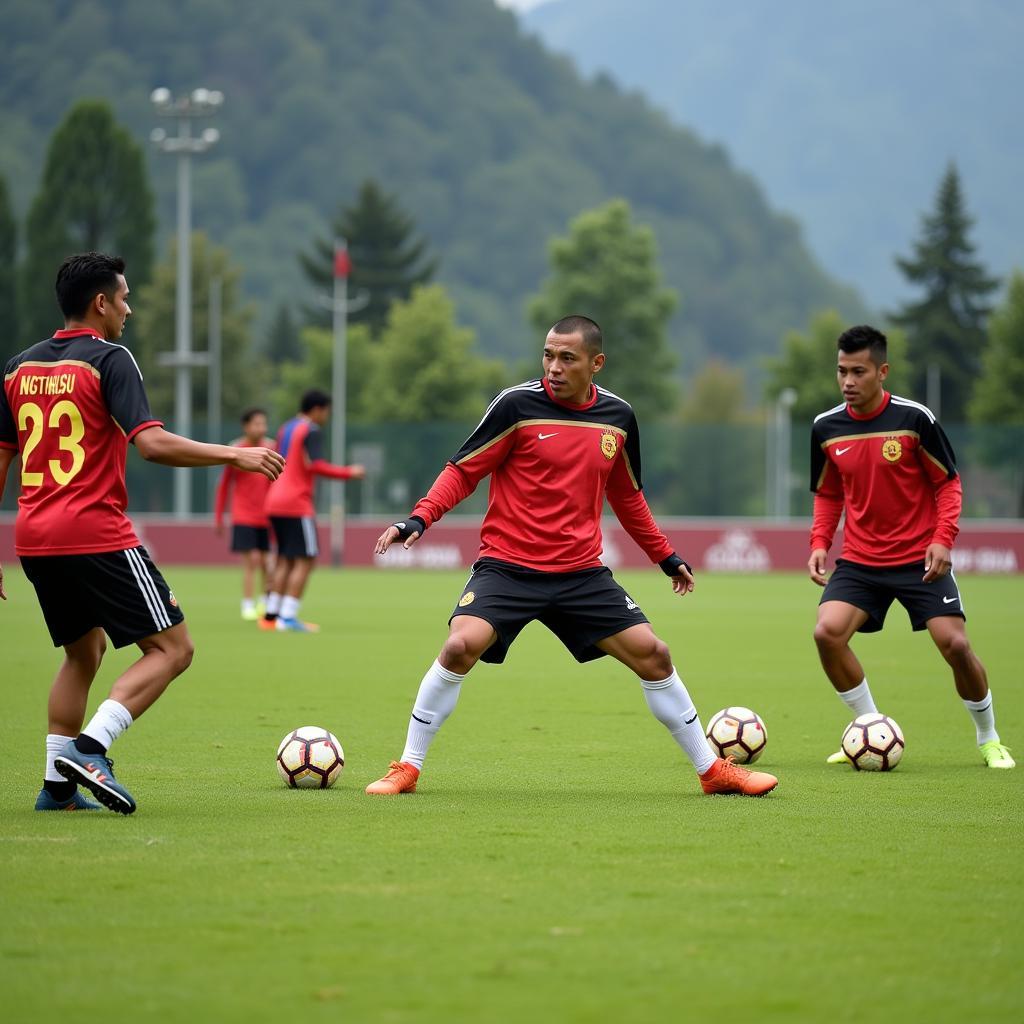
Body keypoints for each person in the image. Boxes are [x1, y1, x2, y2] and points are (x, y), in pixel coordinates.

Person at [366, 315, 778, 797]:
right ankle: (408, 768)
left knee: (655, 655)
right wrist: (419, 518)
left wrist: (664, 556)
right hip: (508, 567)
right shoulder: (516, 405)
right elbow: (463, 471)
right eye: (548, 355)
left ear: (595, 363)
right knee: (459, 646)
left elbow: (627, 497)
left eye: (567, 358)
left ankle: (712, 772)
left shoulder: (618, 418)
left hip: (580, 574)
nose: (554, 367)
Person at [0, 252, 285, 814]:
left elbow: (0, 462)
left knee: (83, 653)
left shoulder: (17, 368)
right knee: (173, 649)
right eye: (124, 298)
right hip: (95, 532)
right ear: (100, 303)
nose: (128, 310)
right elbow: (150, 443)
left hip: (34, 538)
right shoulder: (110, 359)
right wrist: (235, 455)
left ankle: (56, 790)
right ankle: (90, 748)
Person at [808, 324, 1014, 769]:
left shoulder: (915, 419)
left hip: (919, 559)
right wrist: (821, 542)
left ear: (882, 371)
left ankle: (989, 737)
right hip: (860, 562)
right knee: (827, 633)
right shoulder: (826, 427)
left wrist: (943, 540)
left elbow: (949, 484)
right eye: (841, 371)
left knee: (955, 646)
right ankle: (869, 728)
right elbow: (828, 493)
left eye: (858, 371)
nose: (847, 381)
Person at [259, 389, 365, 633]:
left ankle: (270, 616)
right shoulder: (311, 430)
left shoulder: (285, 428)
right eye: (327, 411)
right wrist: (348, 472)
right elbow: (315, 464)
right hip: (296, 503)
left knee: (285, 557)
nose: (327, 417)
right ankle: (288, 618)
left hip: (274, 499)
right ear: (317, 409)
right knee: (307, 559)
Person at [214, 407, 275, 620]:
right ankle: (247, 604)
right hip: (243, 515)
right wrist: (219, 516)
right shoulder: (236, 450)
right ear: (246, 426)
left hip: (266, 516)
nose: (261, 428)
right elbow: (223, 486)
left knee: (268, 561)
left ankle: (265, 602)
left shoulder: (271, 448)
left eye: (263, 424)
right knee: (252, 561)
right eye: (257, 423)